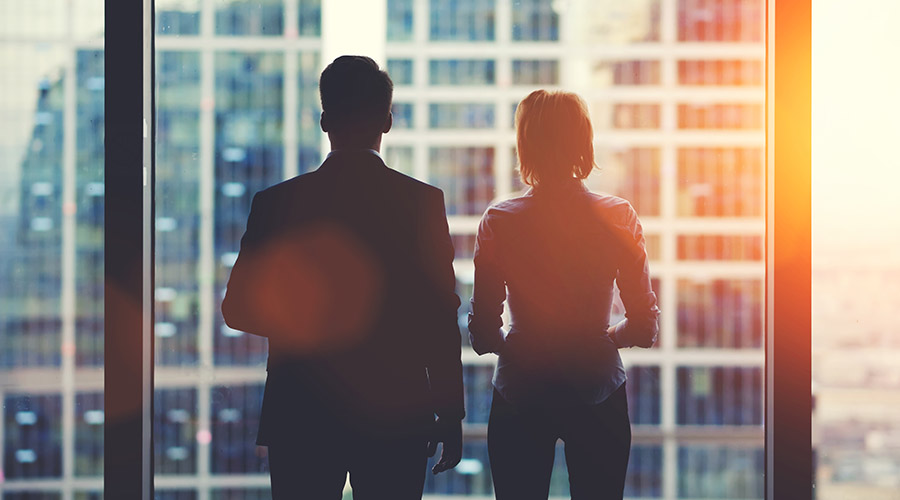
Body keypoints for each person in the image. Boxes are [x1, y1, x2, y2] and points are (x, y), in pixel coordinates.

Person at [221, 55, 465, 499]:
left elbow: (237, 308)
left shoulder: (275, 204)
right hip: (397, 410)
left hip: (301, 411)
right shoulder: (422, 204)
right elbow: (439, 316)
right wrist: (450, 412)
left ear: (324, 120)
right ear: (387, 121)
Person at [468, 89, 660, 499]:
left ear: (526, 145)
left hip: (520, 390)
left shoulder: (500, 221)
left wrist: (516, 346)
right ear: (583, 142)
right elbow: (645, 327)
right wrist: (609, 337)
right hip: (598, 386)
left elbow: (483, 334)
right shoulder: (617, 217)